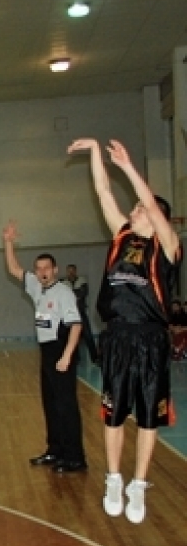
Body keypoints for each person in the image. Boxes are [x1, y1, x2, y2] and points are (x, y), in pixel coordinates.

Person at [69, 138, 182, 524]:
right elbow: (102, 191)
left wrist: (129, 167)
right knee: (114, 415)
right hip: (117, 337)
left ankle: (138, 484)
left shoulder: (167, 246)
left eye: (140, 207)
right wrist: (97, 156)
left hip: (150, 339)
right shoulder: (121, 235)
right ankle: (114, 478)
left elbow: (149, 202)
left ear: (156, 218)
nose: (133, 209)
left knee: (149, 417)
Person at [3, 225, 86, 474]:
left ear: (55, 270)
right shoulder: (37, 287)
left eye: (46, 268)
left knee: (66, 405)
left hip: (62, 351)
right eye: (38, 269)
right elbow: (14, 269)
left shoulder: (64, 293)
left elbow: (76, 325)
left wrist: (67, 356)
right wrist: (8, 242)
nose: (42, 272)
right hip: (47, 352)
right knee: (51, 404)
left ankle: (75, 457)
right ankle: (55, 450)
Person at [62, 264, 100, 364]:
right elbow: (63, 296)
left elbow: (83, 293)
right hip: (69, 314)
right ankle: (75, 358)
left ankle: (95, 358)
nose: (71, 273)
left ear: (75, 271)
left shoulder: (82, 281)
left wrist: (71, 294)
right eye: (69, 271)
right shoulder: (63, 282)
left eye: (72, 271)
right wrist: (74, 294)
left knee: (88, 336)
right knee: (71, 337)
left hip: (81, 313)